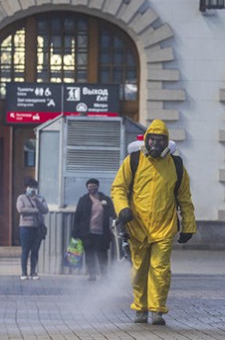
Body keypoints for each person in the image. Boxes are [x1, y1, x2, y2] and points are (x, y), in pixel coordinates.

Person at [111, 119, 196, 326]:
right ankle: (140, 309)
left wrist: (189, 226)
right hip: (137, 227)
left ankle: (157, 310)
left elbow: (184, 198)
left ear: (166, 142)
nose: (155, 145)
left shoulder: (176, 166)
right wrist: (123, 209)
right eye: (152, 140)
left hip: (164, 227)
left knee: (160, 269)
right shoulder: (133, 161)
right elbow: (119, 188)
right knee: (139, 270)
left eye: (160, 141)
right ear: (146, 140)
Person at [73, 178, 116, 281]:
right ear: (87, 188)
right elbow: (77, 216)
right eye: (89, 187)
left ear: (98, 187)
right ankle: (92, 275)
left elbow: (113, 213)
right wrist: (75, 232)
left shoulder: (105, 199)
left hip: (102, 233)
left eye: (93, 186)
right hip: (87, 233)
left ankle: (104, 275)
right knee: (89, 254)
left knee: (102, 255)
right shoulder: (83, 200)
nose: (91, 188)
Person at [16, 177, 48, 280]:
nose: (32, 189)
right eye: (30, 187)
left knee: (35, 250)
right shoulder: (21, 197)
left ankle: (33, 272)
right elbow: (21, 209)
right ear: (26, 188)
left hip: (38, 227)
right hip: (25, 227)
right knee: (25, 250)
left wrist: (36, 201)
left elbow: (45, 210)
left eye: (34, 187)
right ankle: (24, 272)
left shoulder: (41, 198)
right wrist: (34, 210)